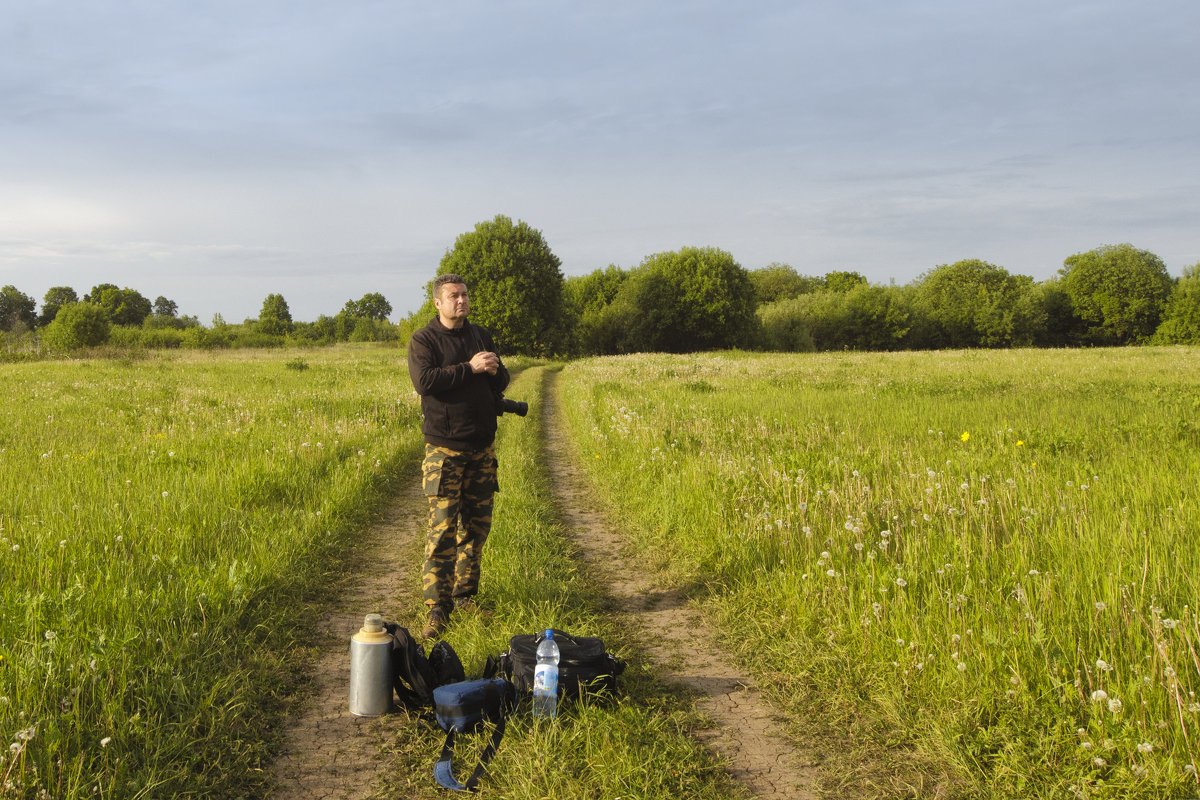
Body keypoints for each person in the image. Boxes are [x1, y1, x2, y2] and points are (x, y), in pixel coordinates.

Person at [407, 273, 510, 638]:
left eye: (465, 295)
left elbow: (499, 378)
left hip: (482, 449)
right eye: (453, 296)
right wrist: (470, 368)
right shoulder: (425, 340)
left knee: (477, 528)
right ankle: (438, 607)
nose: (461, 301)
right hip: (445, 451)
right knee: (443, 530)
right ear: (437, 302)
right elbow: (426, 382)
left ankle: (465, 596)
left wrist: (497, 372)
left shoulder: (480, 335)